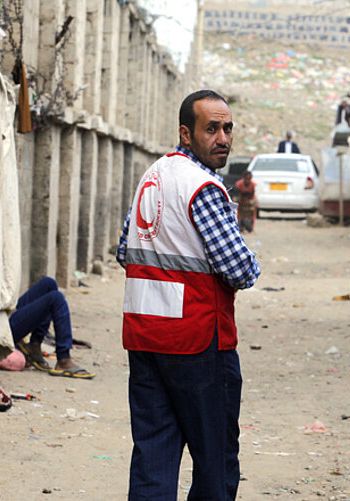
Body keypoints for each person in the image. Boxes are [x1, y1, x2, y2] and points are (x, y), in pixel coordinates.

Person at [116, 89, 260, 500]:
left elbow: (125, 250)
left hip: (145, 337)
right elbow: (240, 270)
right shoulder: (203, 187)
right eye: (211, 129)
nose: (222, 138)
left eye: (227, 128)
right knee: (215, 459)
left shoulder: (154, 175)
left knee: (153, 456)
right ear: (186, 133)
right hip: (198, 342)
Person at [10, 276, 95, 379]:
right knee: (56, 298)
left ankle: (34, 345)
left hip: (6, 315)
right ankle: (63, 360)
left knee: (49, 284)